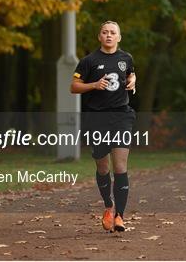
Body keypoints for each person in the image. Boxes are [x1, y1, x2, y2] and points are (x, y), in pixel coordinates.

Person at [70, 20, 136, 232]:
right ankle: (108, 206)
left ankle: (120, 216)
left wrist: (133, 79)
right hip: (96, 119)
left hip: (121, 116)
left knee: (120, 167)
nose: (109, 35)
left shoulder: (126, 58)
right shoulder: (88, 61)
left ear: (119, 37)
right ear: (99, 36)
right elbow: (74, 87)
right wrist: (94, 85)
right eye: (105, 32)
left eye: (113, 32)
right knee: (103, 167)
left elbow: (130, 74)